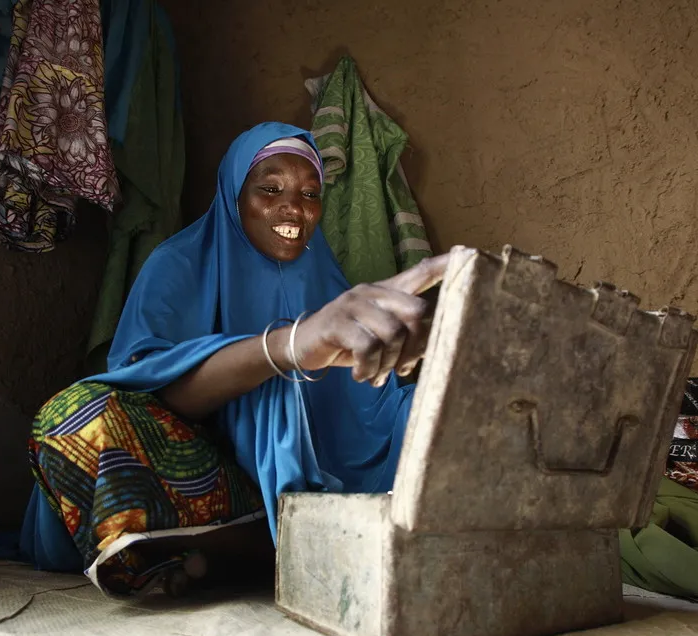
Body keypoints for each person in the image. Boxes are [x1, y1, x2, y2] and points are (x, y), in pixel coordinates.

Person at [23, 122, 450, 595]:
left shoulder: (328, 285)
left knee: (442, 416)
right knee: (75, 416)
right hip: (201, 476)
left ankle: (249, 547)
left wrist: (439, 367)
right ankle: (261, 546)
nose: (293, 208)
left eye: (311, 194)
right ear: (233, 193)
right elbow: (153, 391)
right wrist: (289, 346)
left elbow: (371, 412)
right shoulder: (178, 263)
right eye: (270, 189)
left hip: (304, 495)